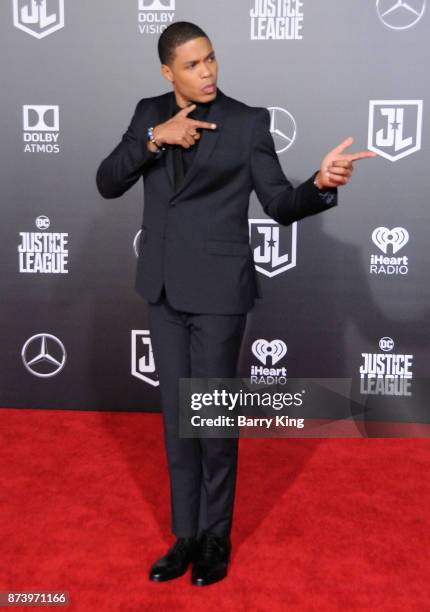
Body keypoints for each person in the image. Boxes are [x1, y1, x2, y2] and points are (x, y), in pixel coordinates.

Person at [96, 21, 376, 586]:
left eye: (211, 60)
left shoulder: (248, 122)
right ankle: (186, 535)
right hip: (163, 289)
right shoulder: (148, 111)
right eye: (193, 65)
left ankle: (216, 536)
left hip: (221, 293)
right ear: (167, 72)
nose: (207, 72)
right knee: (179, 421)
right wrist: (156, 138)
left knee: (211, 420)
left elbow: (277, 201)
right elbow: (107, 182)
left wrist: (320, 183)